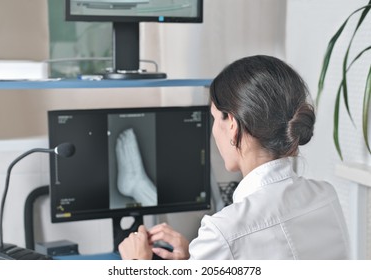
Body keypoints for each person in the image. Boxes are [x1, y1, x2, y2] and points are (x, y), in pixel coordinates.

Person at [118, 55, 350, 260]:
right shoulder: (326, 196)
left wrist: (137, 264)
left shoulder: (223, 232)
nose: (212, 132)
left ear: (233, 125)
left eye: (214, 119)